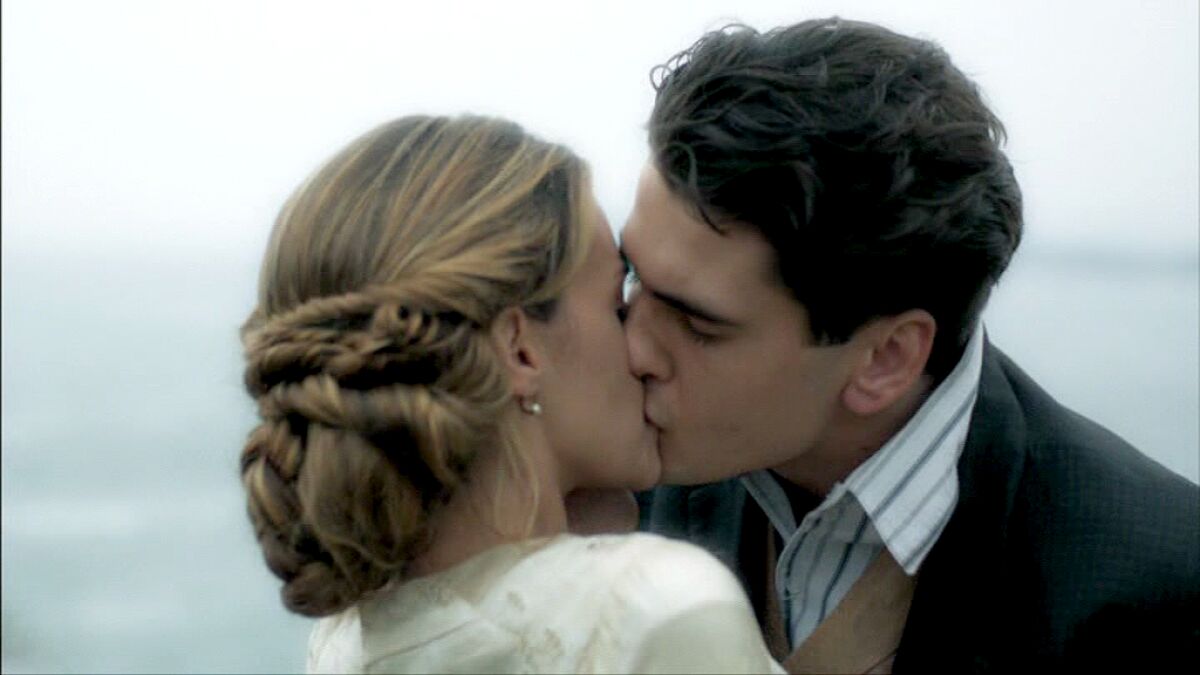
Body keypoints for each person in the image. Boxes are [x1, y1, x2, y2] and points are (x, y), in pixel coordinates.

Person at [627, 18, 1200, 673]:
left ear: (885, 359)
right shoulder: (594, 469)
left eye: (697, 325)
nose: (633, 346)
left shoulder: (1157, 592)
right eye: (630, 273)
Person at [236, 114, 782, 674]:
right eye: (616, 307)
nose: (641, 353)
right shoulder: (652, 609)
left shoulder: (342, 643)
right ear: (520, 349)